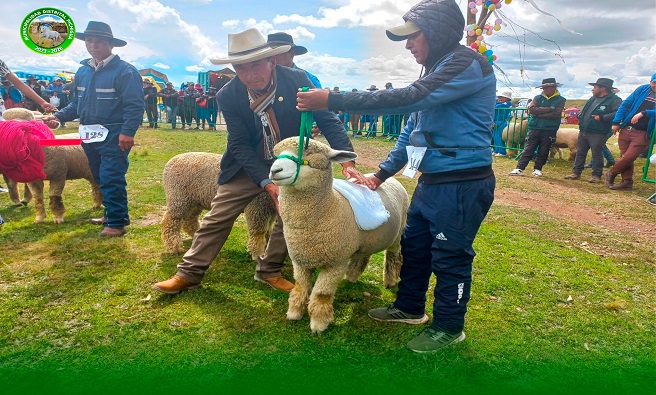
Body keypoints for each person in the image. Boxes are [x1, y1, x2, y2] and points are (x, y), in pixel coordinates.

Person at [297, 0, 496, 353]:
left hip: (462, 182)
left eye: (413, 36)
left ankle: (450, 327)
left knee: (450, 256)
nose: (408, 45)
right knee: (415, 247)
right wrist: (382, 174)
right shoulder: (438, 69)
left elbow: (409, 100)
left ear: (436, 33)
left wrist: (333, 98)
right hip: (432, 181)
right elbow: (412, 127)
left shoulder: (466, 63)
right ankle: (409, 307)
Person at [152, 28, 371, 295]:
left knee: (290, 216)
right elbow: (239, 143)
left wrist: (348, 162)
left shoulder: (297, 80)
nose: (250, 73)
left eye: (256, 64)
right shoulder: (228, 94)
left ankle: (269, 270)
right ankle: (189, 273)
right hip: (246, 165)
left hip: (290, 161)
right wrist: (267, 182)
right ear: (234, 68)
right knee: (219, 215)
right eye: (242, 67)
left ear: (271, 61)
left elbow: (326, 118)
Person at [42, 21, 144, 237]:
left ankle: (116, 224)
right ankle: (115, 214)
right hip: (89, 134)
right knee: (99, 175)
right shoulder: (82, 72)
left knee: (110, 176)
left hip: (114, 134)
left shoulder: (125, 71)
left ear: (110, 44)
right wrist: (58, 116)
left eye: (99, 41)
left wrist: (128, 131)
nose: (93, 45)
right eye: (89, 40)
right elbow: (78, 104)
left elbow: (134, 105)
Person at [564, 78, 622, 183]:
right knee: (580, 152)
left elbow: (617, 113)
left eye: (595, 87)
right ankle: (576, 172)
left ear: (603, 88)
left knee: (597, 153)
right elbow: (585, 111)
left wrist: (602, 117)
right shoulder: (592, 99)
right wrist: (580, 115)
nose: (593, 89)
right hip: (584, 130)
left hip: (599, 131)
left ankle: (596, 175)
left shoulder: (614, 100)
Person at [606, 73, 656, 190]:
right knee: (624, 156)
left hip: (643, 132)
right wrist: (616, 122)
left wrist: (644, 113)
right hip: (626, 128)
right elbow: (626, 104)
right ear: (650, 82)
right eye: (654, 83)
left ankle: (611, 173)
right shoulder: (642, 89)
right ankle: (627, 181)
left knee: (629, 157)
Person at [509, 78, 566, 177]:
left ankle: (538, 169)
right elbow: (532, 110)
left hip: (550, 128)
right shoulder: (537, 98)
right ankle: (519, 168)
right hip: (535, 127)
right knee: (529, 148)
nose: (545, 90)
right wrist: (549, 109)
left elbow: (556, 114)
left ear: (554, 88)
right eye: (544, 87)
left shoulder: (561, 100)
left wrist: (539, 113)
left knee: (544, 149)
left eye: (548, 87)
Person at [492, 91, 513, 156]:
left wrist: (497, 101)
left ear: (507, 98)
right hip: (496, 121)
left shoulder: (507, 104)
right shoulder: (503, 103)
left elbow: (497, 106)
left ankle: (502, 151)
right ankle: (496, 150)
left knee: (500, 137)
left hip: (501, 122)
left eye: (503, 97)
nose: (501, 98)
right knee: (495, 136)